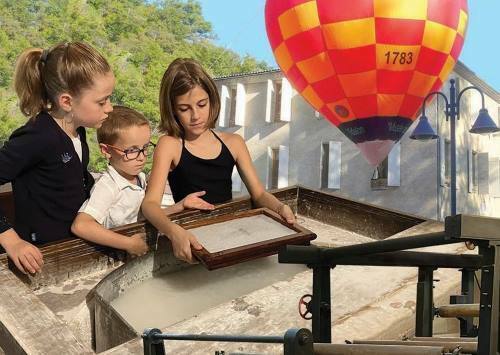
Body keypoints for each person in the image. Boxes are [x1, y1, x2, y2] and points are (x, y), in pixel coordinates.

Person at [142, 58, 296, 264]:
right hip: (190, 242)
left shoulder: (234, 142)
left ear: (212, 100)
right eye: (184, 108)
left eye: (201, 104)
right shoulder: (169, 145)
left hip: (229, 235)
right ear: (172, 110)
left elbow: (258, 194)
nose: (195, 115)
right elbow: (150, 204)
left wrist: (279, 208)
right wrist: (173, 231)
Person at [0, 41, 114, 274]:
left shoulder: (77, 131)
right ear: (67, 101)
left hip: (71, 248)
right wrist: (10, 239)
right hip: (40, 258)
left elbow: (74, 181)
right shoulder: (37, 136)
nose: (109, 108)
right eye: (102, 101)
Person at [71, 106, 213, 255]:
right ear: (106, 151)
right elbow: (81, 225)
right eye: (131, 150)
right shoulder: (108, 187)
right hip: (112, 258)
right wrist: (128, 243)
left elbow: (146, 217)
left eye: (145, 147)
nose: (141, 157)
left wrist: (181, 205)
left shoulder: (139, 178)